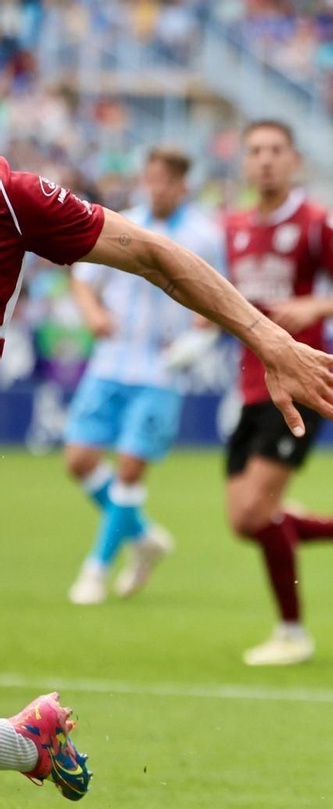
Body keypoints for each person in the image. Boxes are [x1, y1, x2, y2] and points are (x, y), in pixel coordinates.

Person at [0, 151, 333, 803]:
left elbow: (153, 257)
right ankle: (27, 741)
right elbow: (92, 273)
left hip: (170, 371)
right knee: (94, 465)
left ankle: (113, 565)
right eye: (251, 150)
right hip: (114, 363)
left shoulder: (14, 195)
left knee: (236, 508)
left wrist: (271, 335)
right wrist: (88, 305)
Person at [221, 120, 333, 667]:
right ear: (244, 163)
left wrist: (317, 306)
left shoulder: (318, 223)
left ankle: (293, 633)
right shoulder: (234, 228)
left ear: (294, 160)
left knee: (256, 512)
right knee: (244, 519)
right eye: (255, 151)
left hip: (299, 383)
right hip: (249, 385)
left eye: (276, 150)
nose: (265, 160)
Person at [62, 147, 222, 605]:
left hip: (160, 371)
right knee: (78, 461)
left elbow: (216, 299)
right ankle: (144, 538)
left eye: (164, 181)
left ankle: (95, 570)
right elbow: (82, 278)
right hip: (110, 362)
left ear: (182, 185)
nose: (156, 188)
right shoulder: (121, 224)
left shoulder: (203, 235)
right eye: (150, 179)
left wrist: (200, 334)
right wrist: (92, 313)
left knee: (130, 470)